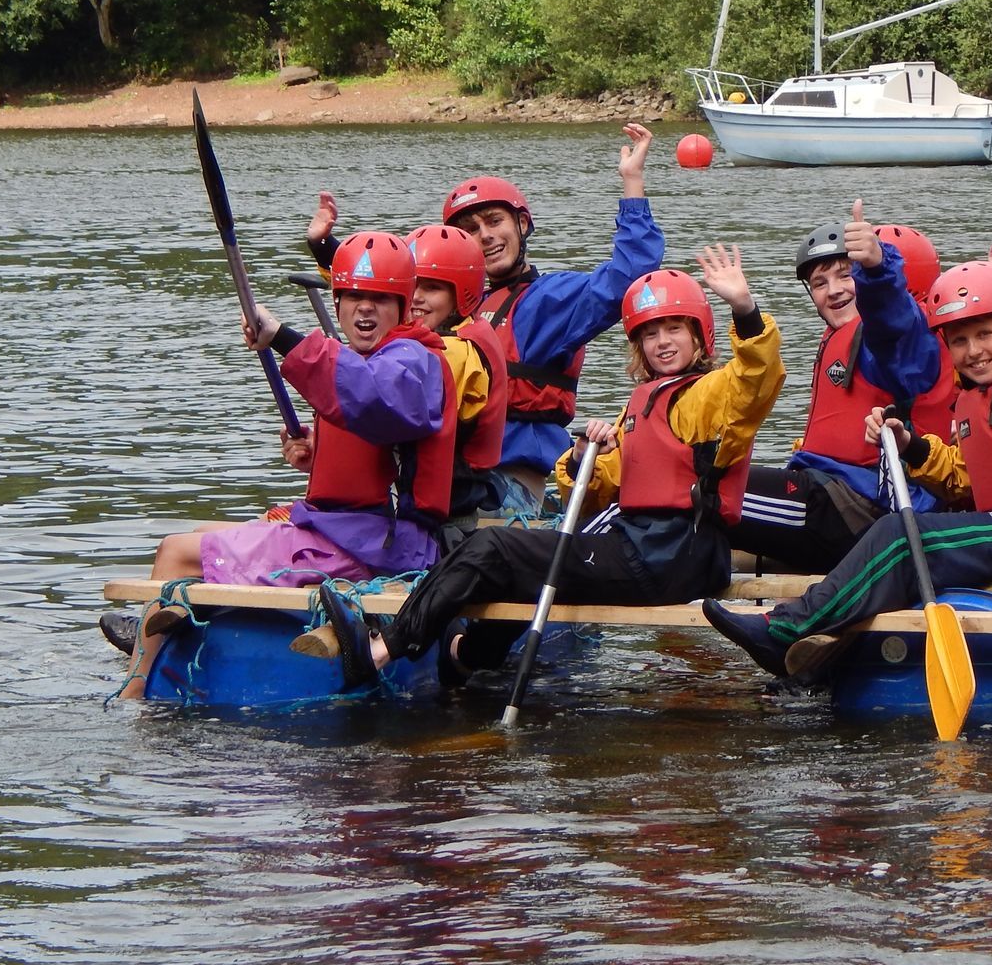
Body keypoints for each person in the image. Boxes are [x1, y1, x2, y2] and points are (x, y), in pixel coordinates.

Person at [319, 246, 785, 685]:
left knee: (495, 548)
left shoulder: (711, 395)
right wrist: (585, 457)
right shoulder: (645, 401)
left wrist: (743, 309)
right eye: (649, 333)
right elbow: (598, 489)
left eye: (674, 329)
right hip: (646, 550)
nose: (661, 343)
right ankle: (467, 658)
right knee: (511, 558)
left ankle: (380, 651)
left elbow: (755, 381)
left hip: (674, 556)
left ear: (699, 334)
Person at [701, 262, 992, 681]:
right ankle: (822, 641)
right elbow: (966, 477)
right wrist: (911, 446)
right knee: (899, 528)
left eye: (984, 335)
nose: (973, 351)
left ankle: (785, 630)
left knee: (904, 533)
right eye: (958, 341)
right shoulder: (972, 398)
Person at [132, 232, 456, 642]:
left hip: (380, 548)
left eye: (380, 297)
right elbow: (375, 443)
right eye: (353, 296)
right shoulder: (373, 360)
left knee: (175, 552)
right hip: (352, 535)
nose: (365, 308)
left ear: (403, 306)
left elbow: (376, 399)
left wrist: (284, 337)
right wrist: (316, 453)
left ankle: (139, 686)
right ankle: (179, 636)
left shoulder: (413, 360)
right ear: (336, 302)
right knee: (199, 534)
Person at [440, 122, 666, 520]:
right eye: (471, 231)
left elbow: (631, 275)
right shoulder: (452, 309)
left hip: (509, 486)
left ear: (521, 225)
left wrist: (632, 181)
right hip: (453, 476)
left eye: (495, 221)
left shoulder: (550, 300)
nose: (486, 236)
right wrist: (327, 250)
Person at [729, 202, 951, 574]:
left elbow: (894, 326)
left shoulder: (891, 340)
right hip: (823, 493)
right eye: (819, 283)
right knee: (693, 482)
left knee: (700, 487)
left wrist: (877, 271)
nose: (833, 291)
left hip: (860, 508)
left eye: (845, 276)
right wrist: (744, 309)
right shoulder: (835, 336)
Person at [404, 224, 510, 541]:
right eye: (411, 286)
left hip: (446, 524)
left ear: (461, 294)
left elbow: (387, 403)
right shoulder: (461, 331)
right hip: (445, 513)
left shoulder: (455, 351)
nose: (416, 298)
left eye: (432, 288)